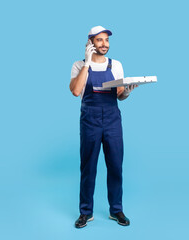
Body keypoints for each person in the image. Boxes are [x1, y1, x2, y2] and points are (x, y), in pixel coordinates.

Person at [69, 26, 137, 228]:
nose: (104, 44)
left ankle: (116, 210)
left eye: (106, 40)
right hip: (90, 120)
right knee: (88, 166)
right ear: (90, 43)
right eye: (99, 40)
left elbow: (119, 95)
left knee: (115, 165)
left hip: (112, 120)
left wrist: (128, 92)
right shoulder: (78, 65)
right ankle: (85, 212)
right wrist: (87, 63)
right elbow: (76, 91)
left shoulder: (115, 65)